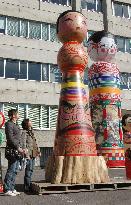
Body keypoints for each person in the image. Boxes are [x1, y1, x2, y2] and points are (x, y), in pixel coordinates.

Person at [4, 109, 24, 196]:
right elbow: (10, 138)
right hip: (12, 150)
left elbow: (18, 138)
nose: (19, 115)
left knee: (15, 170)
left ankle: (12, 188)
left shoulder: (15, 124)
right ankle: (7, 189)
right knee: (11, 169)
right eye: (17, 114)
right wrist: (17, 147)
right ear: (13, 115)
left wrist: (22, 148)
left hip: (17, 150)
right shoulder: (8, 124)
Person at [21, 119, 40, 193]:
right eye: (30, 121)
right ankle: (27, 187)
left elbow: (35, 142)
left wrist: (38, 150)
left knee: (31, 170)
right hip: (28, 154)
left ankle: (28, 185)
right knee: (28, 171)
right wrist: (26, 154)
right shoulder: (24, 132)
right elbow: (23, 144)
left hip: (33, 153)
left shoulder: (32, 132)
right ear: (26, 123)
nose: (31, 122)